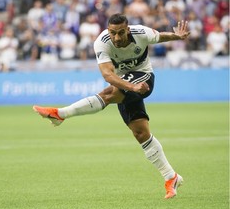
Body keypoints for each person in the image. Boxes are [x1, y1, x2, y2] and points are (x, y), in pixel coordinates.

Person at [33, 13, 190, 199]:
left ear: (128, 30)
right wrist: (132, 87)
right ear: (108, 30)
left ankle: (61, 114)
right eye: (113, 33)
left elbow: (159, 36)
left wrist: (176, 36)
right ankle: (171, 177)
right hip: (127, 83)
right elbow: (108, 75)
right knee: (141, 133)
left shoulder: (141, 33)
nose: (117, 37)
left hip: (144, 78)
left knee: (108, 94)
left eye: (121, 33)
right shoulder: (102, 42)